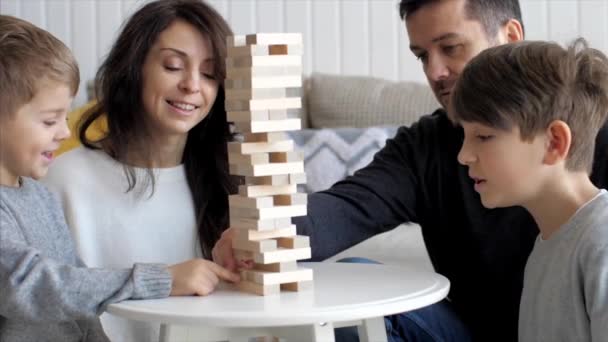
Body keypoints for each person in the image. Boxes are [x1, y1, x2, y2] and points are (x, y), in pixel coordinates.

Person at [212, 0, 608, 340]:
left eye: (450, 47)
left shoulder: (593, 220)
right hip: (467, 332)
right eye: (422, 55)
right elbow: (347, 208)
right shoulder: (427, 145)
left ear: (511, 36)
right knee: (356, 284)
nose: (435, 72)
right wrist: (268, 230)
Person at [0, 14, 239, 342]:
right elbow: (29, 285)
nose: (65, 131)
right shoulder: (57, 182)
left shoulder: (37, 196)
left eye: (210, 73)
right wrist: (161, 279)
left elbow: (79, 304)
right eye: (49, 121)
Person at [452, 38, 608, 342]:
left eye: (483, 136)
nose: (463, 155)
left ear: (554, 143)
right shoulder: (546, 245)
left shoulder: (601, 243)